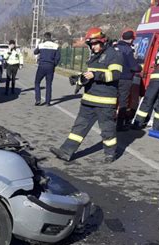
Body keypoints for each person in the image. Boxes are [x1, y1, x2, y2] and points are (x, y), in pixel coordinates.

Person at [50, 27, 123, 164]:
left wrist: (96, 75)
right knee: (78, 127)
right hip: (88, 100)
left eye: (95, 44)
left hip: (105, 102)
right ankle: (66, 152)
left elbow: (116, 74)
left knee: (107, 130)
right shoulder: (94, 56)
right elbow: (90, 75)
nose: (93, 47)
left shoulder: (114, 54)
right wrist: (79, 79)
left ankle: (110, 154)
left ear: (102, 41)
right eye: (91, 44)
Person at [115, 29, 142, 131]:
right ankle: (120, 125)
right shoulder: (128, 50)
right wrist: (139, 67)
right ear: (131, 40)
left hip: (113, 77)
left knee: (112, 100)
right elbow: (134, 67)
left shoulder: (115, 47)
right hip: (125, 79)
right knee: (123, 102)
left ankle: (108, 120)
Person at [34, 32, 61, 106]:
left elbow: (35, 52)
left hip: (42, 66)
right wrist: (54, 64)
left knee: (37, 82)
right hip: (50, 66)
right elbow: (58, 57)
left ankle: (38, 99)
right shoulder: (56, 46)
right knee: (48, 84)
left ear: (44, 37)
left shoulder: (41, 45)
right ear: (50, 37)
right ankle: (48, 102)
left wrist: (39, 45)